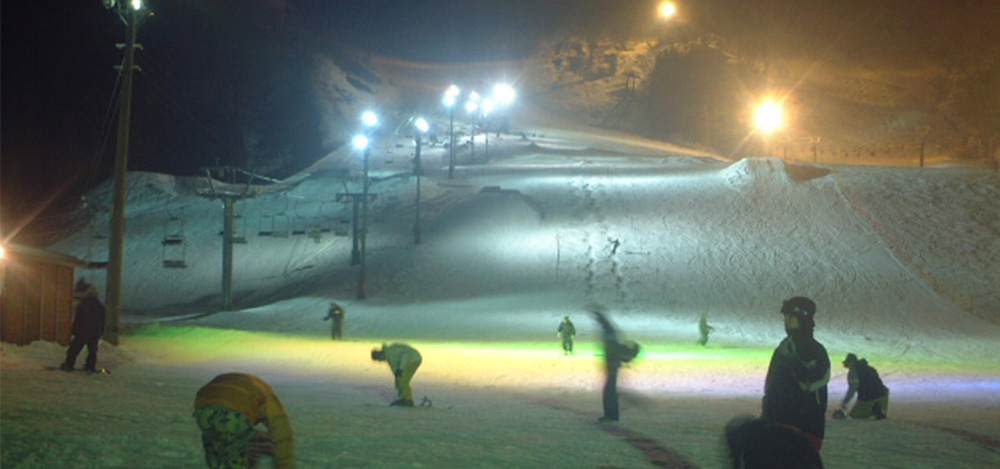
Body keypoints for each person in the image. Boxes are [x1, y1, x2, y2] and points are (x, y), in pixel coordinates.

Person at [762, 296, 830, 453]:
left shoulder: (815, 349)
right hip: (778, 423)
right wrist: (767, 415)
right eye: (785, 316)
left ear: (804, 318)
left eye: (791, 316)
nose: (786, 320)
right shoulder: (784, 346)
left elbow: (812, 383)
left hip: (804, 427)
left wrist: (793, 361)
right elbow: (772, 386)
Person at [193, 372, 295, 468]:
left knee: (214, 442)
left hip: (203, 406)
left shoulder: (256, 388)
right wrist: (284, 465)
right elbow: (282, 432)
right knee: (235, 450)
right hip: (234, 411)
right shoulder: (267, 396)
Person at [591, 308, 640, 422]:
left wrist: (599, 316)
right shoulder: (610, 335)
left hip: (612, 367)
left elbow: (615, 349)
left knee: (609, 392)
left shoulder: (610, 336)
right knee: (610, 391)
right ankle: (611, 414)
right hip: (611, 366)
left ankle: (611, 415)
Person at [60, 279, 106, 372]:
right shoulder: (100, 305)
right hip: (95, 332)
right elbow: (103, 320)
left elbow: (79, 319)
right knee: (92, 351)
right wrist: (100, 331)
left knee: (74, 349)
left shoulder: (83, 305)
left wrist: (74, 330)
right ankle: (90, 366)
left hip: (83, 331)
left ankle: (69, 364)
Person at [836, 353, 889, 420]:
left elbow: (853, 388)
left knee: (854, 415)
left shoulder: (853, 372)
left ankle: (874, 409)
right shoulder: (871, 368)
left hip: (867, 397)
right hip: (883, 395)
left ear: (850, 363)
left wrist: (845, 401)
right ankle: (878, 409)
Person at [371, 343, 422, 407]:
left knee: (403, 380)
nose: (380, 361)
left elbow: (405, 355)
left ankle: (408, 400)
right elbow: (396, 374)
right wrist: (397, 376)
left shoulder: (391, 352)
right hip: (410, 360)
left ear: (380, 354)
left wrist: (401, 369)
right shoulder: (389, 356)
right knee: (400, 380)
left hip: (414, 359)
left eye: (379, 359)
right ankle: (402, 399)